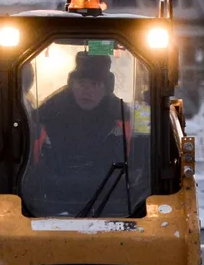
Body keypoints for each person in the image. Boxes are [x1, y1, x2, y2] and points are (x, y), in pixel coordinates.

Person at [25, 51, 133, 217]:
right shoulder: (45, 119)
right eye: (81, 83)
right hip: (49, 206)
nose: (86, 91)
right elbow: (32, 168)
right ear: (72, 85)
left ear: (106, 89)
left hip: (115, 207)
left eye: (94, 84)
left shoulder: (124, 122)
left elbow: (137, 170)